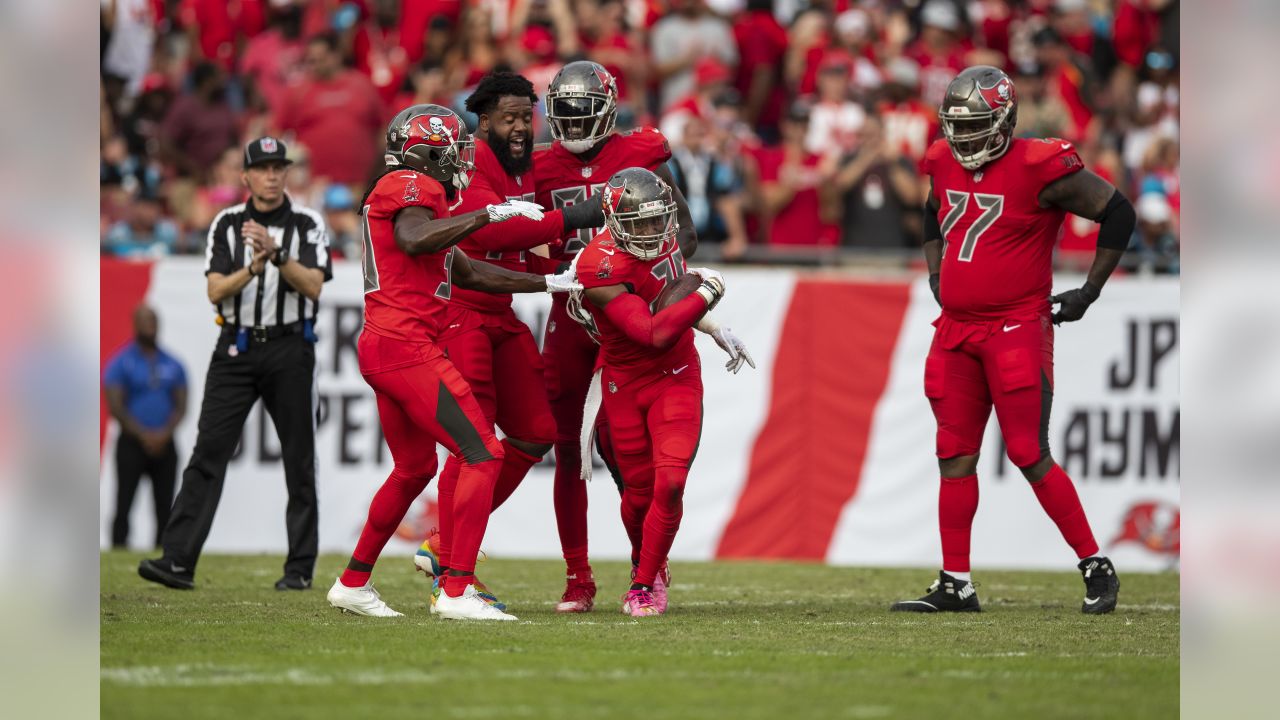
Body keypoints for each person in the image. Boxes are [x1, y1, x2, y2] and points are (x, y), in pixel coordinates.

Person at [891, 66, 1133, 614]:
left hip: (1016, 327)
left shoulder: (1039, 165)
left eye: (976, 125)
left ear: (1004, 121)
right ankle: (956, 581)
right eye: (957, 125)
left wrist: (1089, 291)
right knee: (953, 455)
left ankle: (1096, 565)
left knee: (1028, 452)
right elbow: (934, 210)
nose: (964, 137)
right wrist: (937, 274)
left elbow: (1117, 211)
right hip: (955, 332)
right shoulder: (940, 159)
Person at [324, 104, 580, 621]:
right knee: (484, 451)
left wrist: (551, 282)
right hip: (404, 345)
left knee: (414, 467)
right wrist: (487, 213)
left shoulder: (424, 200)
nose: (461, 159)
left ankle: (352, 582)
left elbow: (471, 274)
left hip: (387, 344)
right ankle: (456, 589)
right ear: (427, 154)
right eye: (453, 150)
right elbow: (413, 237)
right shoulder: (413, 187)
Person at [409, 73, 608, 611]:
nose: (521, 127)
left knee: (536, 431)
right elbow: (489, 232)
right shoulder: (471, 158)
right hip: (461, 312)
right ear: (484, 120)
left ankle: (445, 548)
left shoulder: (527, 166)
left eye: (527, 116)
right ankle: (456, 575)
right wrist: (575, 216)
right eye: (509, 118)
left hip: (501, 310)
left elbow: (529, 242)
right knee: (475, 444)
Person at [532, 61, 702, 613]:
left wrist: (629, 278)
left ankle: (644, 568)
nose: (575, 124)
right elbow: (520, 237)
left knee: (633, 458)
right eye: (566, 113)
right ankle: (578, 577)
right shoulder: (537, 166)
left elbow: (687, 236)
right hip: (571, 315)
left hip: (631, 314)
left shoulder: (642, 153)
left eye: (584, 111)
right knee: (565, 446)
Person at [138, 136, 333, 592]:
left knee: (299, 460)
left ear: (287, 173)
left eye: (277, 167)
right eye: (262, 168)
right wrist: (253, 268)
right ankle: (177, 561)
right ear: (244, 176)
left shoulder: (307, 222)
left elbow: (314, 286)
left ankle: (299, 568)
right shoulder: (226, 223)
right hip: (236, 349)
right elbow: (215, 290)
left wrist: (277, 254)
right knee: (208, 453)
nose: (271, 175)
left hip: (290, 349)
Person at [570, 168, 734, 616]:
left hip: (677, 373)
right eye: (638, 223)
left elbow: (667, 297)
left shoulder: (666, 239)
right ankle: (648, 562)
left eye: (656, 220)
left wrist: (711, 323)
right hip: (624, 379)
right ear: (612, 220)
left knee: (672, 481)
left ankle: (643, 584)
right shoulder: (598, 263)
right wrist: (708, 295)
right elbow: (650, 331)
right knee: (637, 496)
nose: (650, 231)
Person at [103, 306, 188, 549]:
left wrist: (163, 434)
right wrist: (143, 435)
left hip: (165, 443)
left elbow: (181, 405)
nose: (150, 325)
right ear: (135, 324)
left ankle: (163, 553)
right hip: (131, 443)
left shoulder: (173, 364)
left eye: (154, 321)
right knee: (124, 502)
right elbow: (116, 406)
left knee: (165, 505)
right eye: (145, 321)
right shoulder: (121, 362)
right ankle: (118, 549)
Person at [276, 32, 385, 187]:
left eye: (321, 59)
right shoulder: (298, 92)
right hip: (314, 186)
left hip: (361, 184)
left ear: (336, 55)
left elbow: (382, 129)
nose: (315, 65)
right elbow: (277, 132)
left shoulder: (362, 85)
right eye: (311, 61)